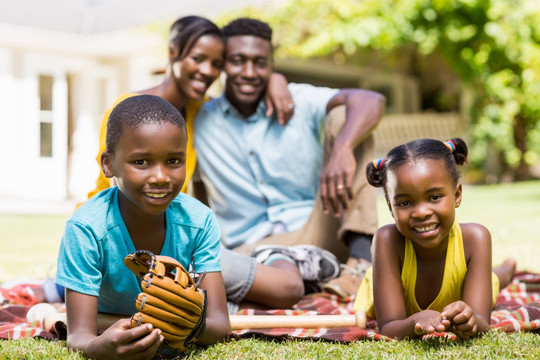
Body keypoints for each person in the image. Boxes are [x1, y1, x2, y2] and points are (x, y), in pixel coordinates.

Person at [82, 15, 337, 312]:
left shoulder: (197, 111)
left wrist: (276, 81)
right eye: (198, 58)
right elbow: (117, 194)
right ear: (172, 53)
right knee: (284, 287)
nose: (207, 71)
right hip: (124, 242)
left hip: (172, 240)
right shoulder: (130, 113)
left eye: (216, 64)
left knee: (274, 286)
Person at [193, 18, 386, 298]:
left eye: (260, 63)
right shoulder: (199, 119)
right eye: (238, 61)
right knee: (213, 272)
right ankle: (317, 278)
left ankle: (361, 261)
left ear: (271, 64)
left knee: (347, 116)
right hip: (251, 248)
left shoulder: (297, 99)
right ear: (222, 63)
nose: (249, 72)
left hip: (317, 229)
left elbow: (370, 100)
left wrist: (342, 148)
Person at [56, 95, 230, 359]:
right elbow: (79, 335)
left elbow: (220, 325)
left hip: (209, 268)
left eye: (174, 161)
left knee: (285, 288)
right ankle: (53, 289)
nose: (160, 177)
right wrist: (97, 347)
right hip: (103, 296)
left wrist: (191, 325)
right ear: (108, 164)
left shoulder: (199, 220)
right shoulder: (86, 228)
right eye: (141, 162)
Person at [353, 137, 517, 340]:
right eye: (404, 203)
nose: (421, 212)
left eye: (434, 197)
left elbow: (481, 322)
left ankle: (507, 269)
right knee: (489, 278)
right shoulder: (387, 240)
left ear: (457, 194)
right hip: (379, 281)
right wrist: (415, 321)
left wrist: (469, 320)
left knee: (493, 280)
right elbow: (388, 326)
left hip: (470, 279)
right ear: (390, 206)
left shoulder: (476, 239)